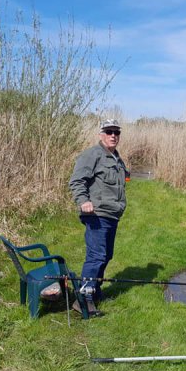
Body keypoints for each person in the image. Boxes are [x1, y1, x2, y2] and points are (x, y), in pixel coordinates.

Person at [69, 119, 130, 316]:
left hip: (112, 214)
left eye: (116, 132)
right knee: (96, 256)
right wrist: (83, 201)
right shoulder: (92, 155)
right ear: (101, 134)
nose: (113, 135)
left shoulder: (117, 159)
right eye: (109, 131)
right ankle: (84, 300)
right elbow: (77, 181)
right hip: (96, 214)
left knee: (106, 255)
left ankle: (94, 291)